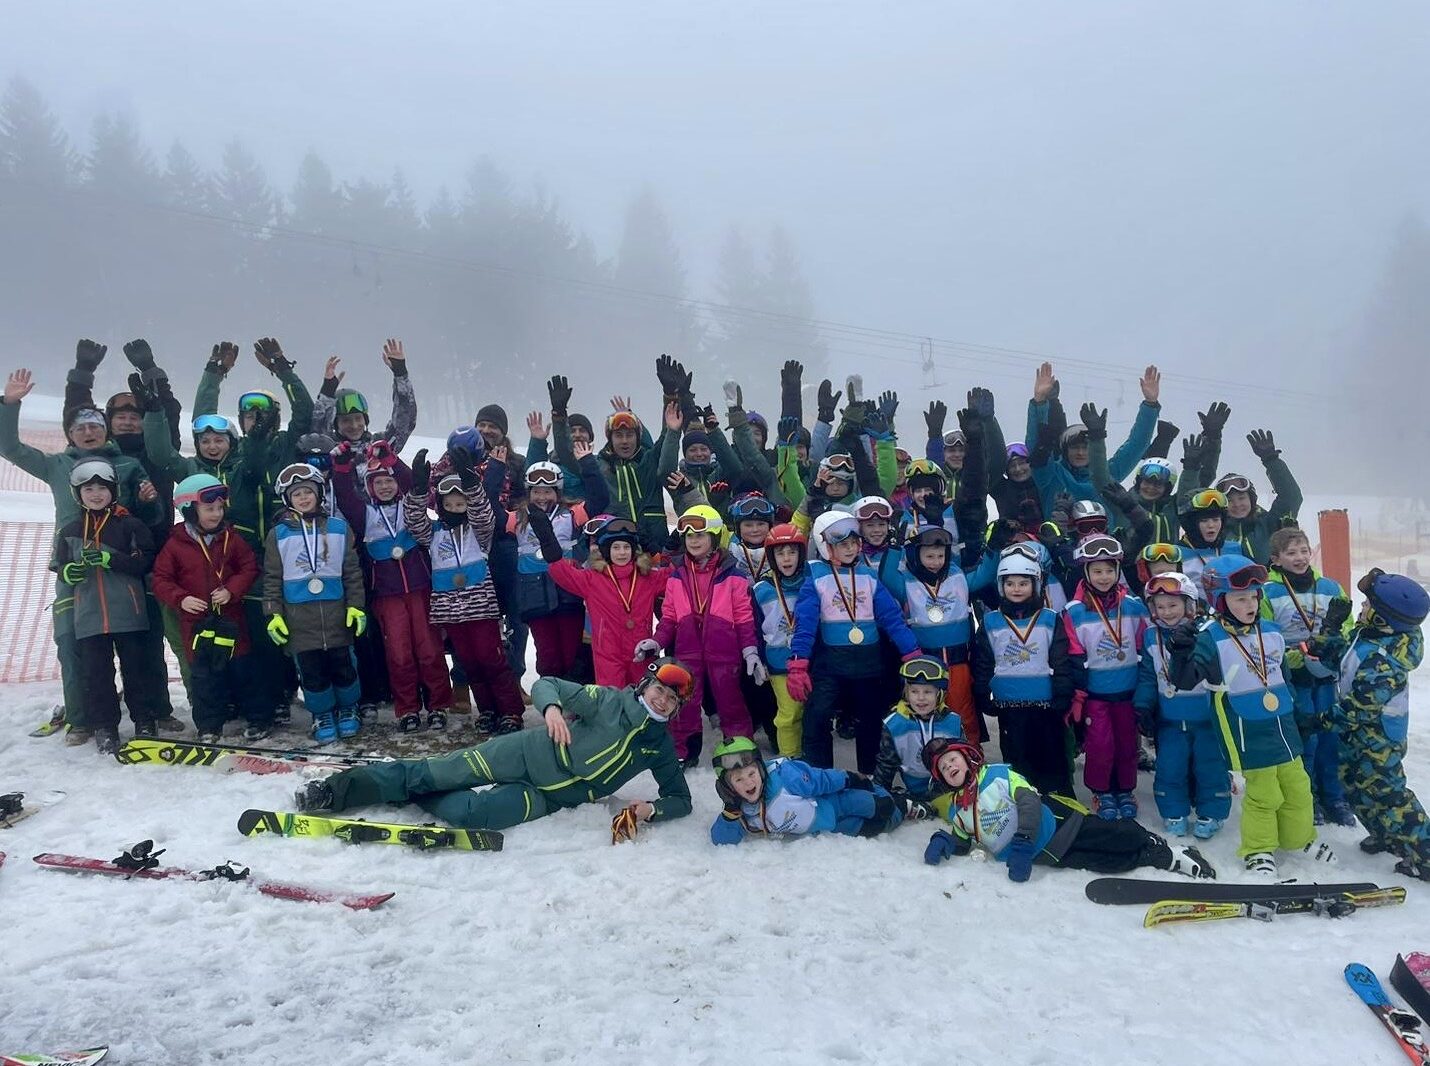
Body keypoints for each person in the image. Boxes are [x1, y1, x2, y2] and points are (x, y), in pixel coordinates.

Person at [294, 657, 696, 836]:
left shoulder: (657, 745)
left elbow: (680, 798)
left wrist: (653, 809)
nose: (662, 700)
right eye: (659, 689)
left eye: (671, 699)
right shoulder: (609, 701)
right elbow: (547, 683)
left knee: (475, 814)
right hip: (524, 751)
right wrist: (552, 709)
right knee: (436, 771)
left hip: (549, 797)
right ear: (646, 685)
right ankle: (335, 790)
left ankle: (411, 792)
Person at [2, 363, 161, 745]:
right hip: (74, 567)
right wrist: (9, 404)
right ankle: (83, 719)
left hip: (120, 571)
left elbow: (147, 515)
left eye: (94, 426)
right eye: (80, 428)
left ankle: (150, 715)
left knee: (138, 649)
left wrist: (149, 502)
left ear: (104, 430)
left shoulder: (126, 463)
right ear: (70, 434)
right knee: (74, 646)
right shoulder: (56, 464)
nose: (88, 432)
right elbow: (9, 447)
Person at [1164, 554, 1334, 877]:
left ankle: (1300, 839)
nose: (1251, 603)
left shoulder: (1271, 630)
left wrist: (1299, 715)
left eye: (1254, 596)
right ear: (1220, 601)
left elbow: (1281, 675)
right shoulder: (1210, 637)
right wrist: (1180, 651)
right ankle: (1258, 849)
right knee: (1264, 793)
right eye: (1240, 598)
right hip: (1244, 726)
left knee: (1298, 785)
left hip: (1282, 723)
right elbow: (1184, 680)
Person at [919, 738, 1215, 881]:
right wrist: (943, 842)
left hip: (1063, 825)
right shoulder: (959, 809)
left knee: (1117, 837)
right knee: (1109, 863)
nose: (950, 767)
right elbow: (962, 838)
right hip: (1051, 855)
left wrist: (1022, 842)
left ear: (968, 758)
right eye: (944, 768)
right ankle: (1158, 858)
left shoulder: (997, 775)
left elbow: (1029, 803)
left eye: (953, 759)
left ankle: (1165, 849)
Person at [1311, 570, 1430, 881]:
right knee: (1353, 784)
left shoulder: (1385, 661)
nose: (1361, 608)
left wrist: (1317, 721)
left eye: (1367, 605)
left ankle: (1425, 853)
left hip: (1378, 739)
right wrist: (1330, 628)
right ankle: (1386, 835)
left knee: (1389, 795)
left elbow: (1357, 709)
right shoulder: (1370, 635)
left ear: (1383, 618)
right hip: (1358, 735)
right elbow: (1341, 657)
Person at [331, 442, 453, 732]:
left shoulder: (410, 506)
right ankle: (407, 708)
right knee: (399, 653)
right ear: (370, 487)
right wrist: (341, 468)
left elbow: (414, 484)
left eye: (389, 481)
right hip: (387, 594)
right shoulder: (366, 515)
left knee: (429, 649)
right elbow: (346, 498)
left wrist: (392, 460)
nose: (385, 486)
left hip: (420, 587)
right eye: (378, 482)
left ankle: (438, 705)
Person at [404, 445, 526, 735]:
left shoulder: (479, 531)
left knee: (492, 660)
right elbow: (413, 520)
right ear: (442, 506)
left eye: (462, 505)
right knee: (470, 665)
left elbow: (484, 512)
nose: (457, 509)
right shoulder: (434, 534)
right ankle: (486, 710)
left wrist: (471, 483)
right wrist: (419, 488)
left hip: (481, 609)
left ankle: (510, 710)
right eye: (451, 504)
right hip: (451, 613)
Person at [787, 511, 922, 772]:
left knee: (870, 718)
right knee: (816, 717)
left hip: (868, 663)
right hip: (830, 664)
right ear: (826, 547)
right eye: (842, 544)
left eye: (853, 543)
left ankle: (870, 774)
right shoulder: (816, 577)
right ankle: (819, 772)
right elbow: (805, 626)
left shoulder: (868, 577)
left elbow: (892, 619)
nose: (850, 549)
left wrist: (912, 653)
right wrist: (798, 664)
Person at [53, 458, 165, 753]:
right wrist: (69, 572)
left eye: (102, 488)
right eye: (88, 489)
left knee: (136, 670)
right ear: (78, 494)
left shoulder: (129, 524)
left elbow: (144, 561)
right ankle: (105, 726)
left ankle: (144, 720)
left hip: (128, 612)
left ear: (113, 491)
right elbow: (61, 564)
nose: (96, 494)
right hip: (89, 615)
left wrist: (110, 559)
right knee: (97, 674)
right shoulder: (70, 530)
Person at [152, 474, 268, 742]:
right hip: (197, 624)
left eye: (219, 508)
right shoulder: (175, 545)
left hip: (231, 620)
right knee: (205, 678)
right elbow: (160, 579)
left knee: (244, 672)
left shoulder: (231, 538)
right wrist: (181, 598)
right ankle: (209, 726)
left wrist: (232, 589)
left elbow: (249, 566)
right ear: (190, 511)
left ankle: (257, 719)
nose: (216, 514)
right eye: (209, 509)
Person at [639, 504, 758, 767]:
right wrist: (657, 640)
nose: (694, 541)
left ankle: (740, 748)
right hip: (687, 651)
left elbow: (744, 618)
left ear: (714, 538)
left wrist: (750, 650)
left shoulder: (733, 576)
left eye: (700, 535)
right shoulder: (676, 576)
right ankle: (684, 750)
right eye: (689, 536)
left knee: (731, 702)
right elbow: (669, 617)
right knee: (685, 704)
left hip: (724, 651)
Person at [264, 462, 367, 742]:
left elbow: (352, 573)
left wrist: (356, 606)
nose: (303, 498)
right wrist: (273, 614)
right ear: (288, 499)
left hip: (336, 616)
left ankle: (349, 708)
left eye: (308, 492)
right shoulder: (278, 535)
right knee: (311, 672)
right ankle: (321, 714)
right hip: (300, 621)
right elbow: (272, 579)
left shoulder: (338, 528)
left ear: (319, 494)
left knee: (344, 666)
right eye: (297, 494)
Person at [1263, 526, 1353, 826]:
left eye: (1303, 551)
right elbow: (1267, 635)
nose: (1300, 557)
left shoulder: (1330, 587)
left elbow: (1348, 626)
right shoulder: (1269, 591)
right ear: (1276, 559)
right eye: (1291, 553)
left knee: (1331, 736)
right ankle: (1308, 795)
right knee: (1306, 737)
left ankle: (1335, 795)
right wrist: (1296, 657)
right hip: (1295, 674)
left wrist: (1333, 650)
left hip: (1326, 674)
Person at [971, 545, 1075, 798]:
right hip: (1009, 707)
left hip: (1046, 705)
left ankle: (1059, 800)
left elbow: (1061, 659)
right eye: (1010, 584)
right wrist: (983, 693)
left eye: (1023, 583)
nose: (1016, 589)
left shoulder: (1050, 618)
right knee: (1018, 758)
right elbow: (983, 662)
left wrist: (1063, 692)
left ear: (1036, 585)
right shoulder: (991, 621)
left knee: (1052, 755)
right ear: (1001, 586)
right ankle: (1024, 801)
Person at [1134, 572, 1229, 838]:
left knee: (1210, 767)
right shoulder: (1152, 636)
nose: (1167, 612)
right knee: (1169, 767)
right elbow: (1148, 674)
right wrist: (1143, 705)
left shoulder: (1205, 633)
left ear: (1189, 605)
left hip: (1205, 717)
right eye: (1160, 607)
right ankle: (1173, 811)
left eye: (1173, 605)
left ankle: (1212, 812)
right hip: (1171, 717)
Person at [1062, 533, 1150, 820]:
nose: (1104, 576)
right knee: (1100, 745)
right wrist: (1078, 694)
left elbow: (1144, 644)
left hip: (1127, 691)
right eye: (1097, 571)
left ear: (1118, 571)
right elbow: (1074, 655)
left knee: (1126, 744)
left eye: (1109, 570)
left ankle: (1124, 789)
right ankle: (1101, 791)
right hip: (1096, 694)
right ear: (1086, 572)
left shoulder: (1133, 606)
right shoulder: (1074, 612)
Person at [710, 736, 929, 845]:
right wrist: (730, 811)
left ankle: (901, 802)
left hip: (836, 800)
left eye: (751, 774)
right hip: (828, 824)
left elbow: (820, 780)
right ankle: (901, 809)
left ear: (761, 770)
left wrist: (851, 779)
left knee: (882, 806)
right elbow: (722, 841)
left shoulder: (785, 776)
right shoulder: (739, 811)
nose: (748, 783)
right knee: (875, 827)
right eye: (738, 779)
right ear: (728, 786)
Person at [537, 515, 667, 688]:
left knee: (642, 700)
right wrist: (549, 545)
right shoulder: (592, 579)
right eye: (616, 547)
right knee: (611, 701)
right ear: (607, 550)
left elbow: (673, 574)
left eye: (627, 547)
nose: (622, 553)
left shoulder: (647, 577)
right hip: (608, 655)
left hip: (642, 651)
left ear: (634, 550)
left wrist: (659, 551)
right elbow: (562, 574)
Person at [509, 461, 599, 681]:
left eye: (547, 491)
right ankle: (551, 702)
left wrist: (588, 463)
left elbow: (600, 499)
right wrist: (494, 470)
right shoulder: (518, 517)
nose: (541, 497)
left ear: (557, 492)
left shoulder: (572, 514)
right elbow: (490, 511)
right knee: (547, 655)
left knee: (571, 652)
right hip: (534, 596)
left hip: (567, 594)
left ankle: (573, 700)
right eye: (536, 492)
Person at [310, 340, 418, 497]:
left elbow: (405, 418)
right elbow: (317, 428)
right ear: (336, 424)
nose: (354, 425)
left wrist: (400, 374)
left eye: (358, 418)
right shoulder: (331, 450)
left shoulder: (381, 447)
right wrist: (327, 390)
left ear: (365, 420)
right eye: (346, 420)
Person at [751, 523, 811, 757]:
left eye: (792, 552)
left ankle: (811, 757)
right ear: (771, 557)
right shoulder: (761, 589)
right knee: (789, 714)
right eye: (780, 553)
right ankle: (791, 759)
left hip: (809, 660)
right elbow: (755, 628)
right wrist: (758, 657)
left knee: (810, 714)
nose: (786, 559)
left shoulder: (811, 582)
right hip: (779, 663)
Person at [874, 657, 965, 798]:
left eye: (928, 692)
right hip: (914, 794)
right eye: (914, 691)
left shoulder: (952, 722)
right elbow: (886, 765)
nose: (920, 698)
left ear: (939, 694)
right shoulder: (895, 725)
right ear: (906, 693)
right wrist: (879, 798)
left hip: (950, 791)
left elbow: (966, 760)